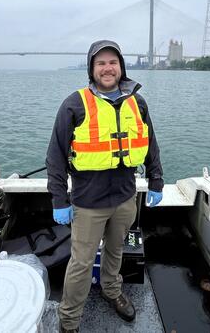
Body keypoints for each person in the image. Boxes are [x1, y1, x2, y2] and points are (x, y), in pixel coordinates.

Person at [46, 40, 164, 333]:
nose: (107, 68)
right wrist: (59, 200)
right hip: (88, 203)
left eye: (113, 62)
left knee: (116, 251)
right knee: (81, 263)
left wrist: (156, 180)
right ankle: (69, 320)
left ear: (121, 67)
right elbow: (55, 156)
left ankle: (113, 291)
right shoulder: (74, 104)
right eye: (101, 63)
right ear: (92, 69)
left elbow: (150, 145)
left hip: (126, 198)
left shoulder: (137, 102)